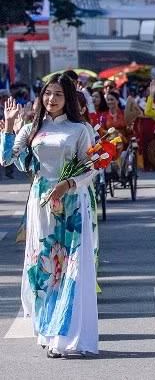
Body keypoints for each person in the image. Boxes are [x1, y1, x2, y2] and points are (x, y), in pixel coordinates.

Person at [2, 74, 98, 357]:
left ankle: (63, 334)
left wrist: (67, 184)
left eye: (58, 94)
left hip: (70, 203)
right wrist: (9, 125)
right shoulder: (33, 128)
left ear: (68, 98)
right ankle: (46, 329)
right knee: (43, 266)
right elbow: (7, 159)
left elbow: (90, 166)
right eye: (47, 94)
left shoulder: (80, 129)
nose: (51, 99)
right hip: (41, 201)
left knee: (68, 268)